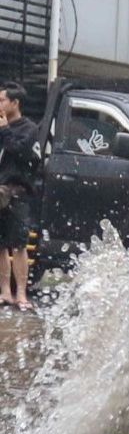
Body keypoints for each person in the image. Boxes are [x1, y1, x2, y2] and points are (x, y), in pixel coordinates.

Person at [0, 82, 41, 312]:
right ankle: (5, 292)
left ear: (15, 103)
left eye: (2, 100)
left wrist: (5, 130)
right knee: (0, 245)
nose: (0, 105)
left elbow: (22, 153)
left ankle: (21, 294)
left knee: (19, 244)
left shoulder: (28, 128)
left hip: (18, 193)